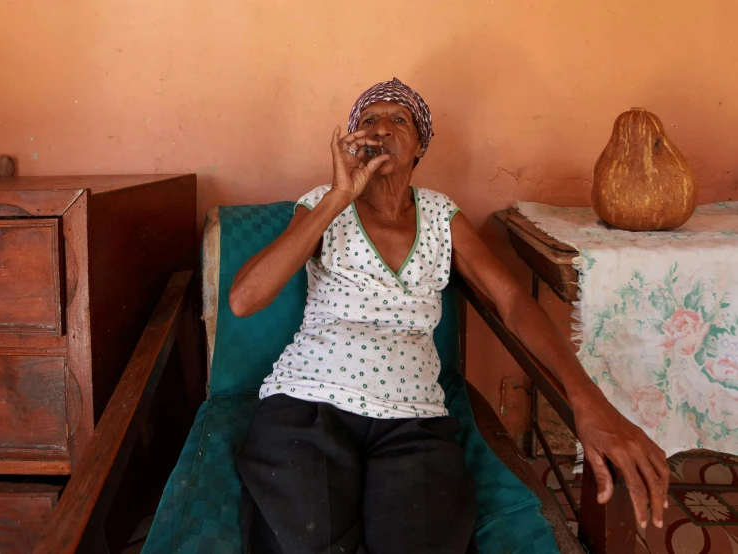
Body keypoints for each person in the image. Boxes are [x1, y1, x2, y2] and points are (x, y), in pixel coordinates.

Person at [230, 78, 669, 554]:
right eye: (369, 120)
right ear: (353, 141)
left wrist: (586, 399)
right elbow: (244, 299)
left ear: (420, 145)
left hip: (412, 420)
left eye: (399, 120)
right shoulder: (323, 203)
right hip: (308, 405)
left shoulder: (441, 216)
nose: (382, 128)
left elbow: (513, 302)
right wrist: (339, 194)